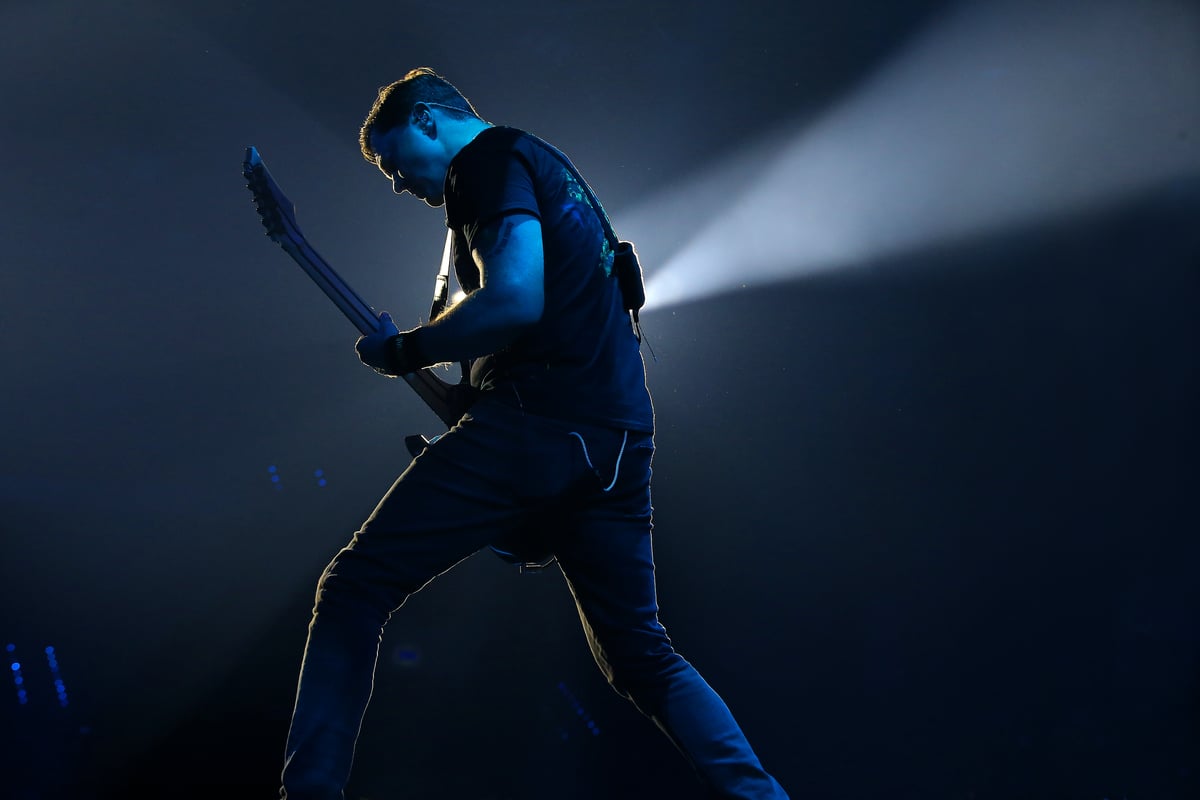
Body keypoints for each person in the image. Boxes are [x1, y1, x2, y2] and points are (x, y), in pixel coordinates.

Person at [279, 67, 790, 800]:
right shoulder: (548, 167)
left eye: (394, 162)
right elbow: (558, 316)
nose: (396, 183)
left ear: (427, 120)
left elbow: (516, 299)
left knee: (354, 586)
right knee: (642, 656)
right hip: (617, 438)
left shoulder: (484, 163)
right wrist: (457, 379)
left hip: (541, 424)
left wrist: (407, 350)